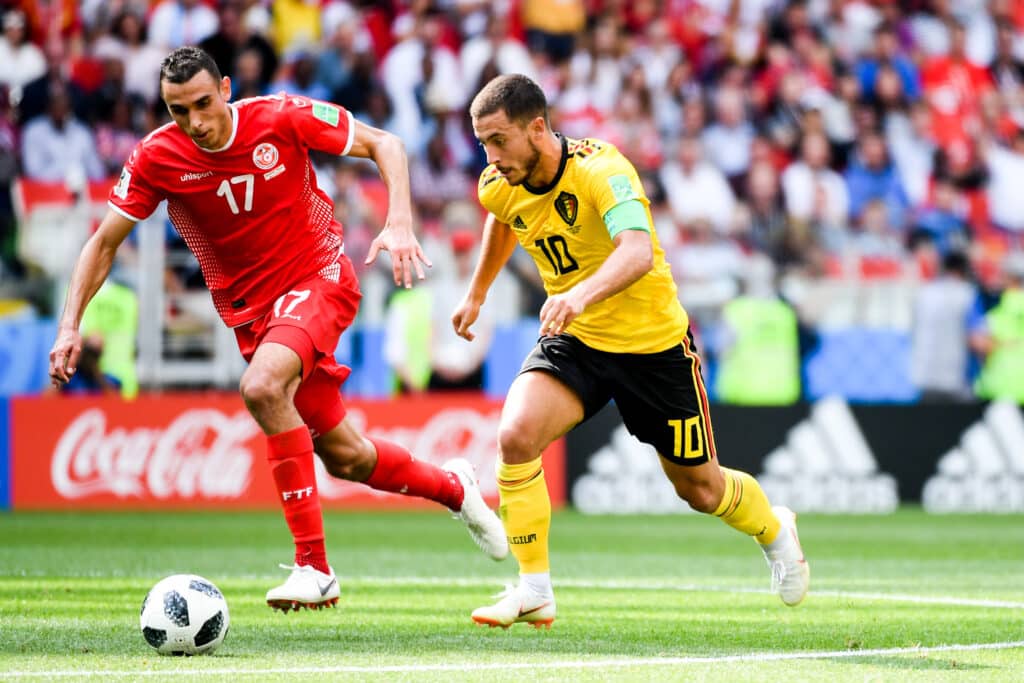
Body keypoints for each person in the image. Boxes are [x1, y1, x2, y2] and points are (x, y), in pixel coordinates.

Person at [48, 46, 507, 612]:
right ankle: (457, 489)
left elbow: (384, 143)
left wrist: (400, 220)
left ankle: (314, 568)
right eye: (177, 110)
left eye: (202, 104)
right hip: (255, 315)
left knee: (263, 388)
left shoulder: (280, 116)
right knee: (347, 457)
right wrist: (71, 324)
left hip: (319, 278)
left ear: (224, 88)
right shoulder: (156, 157)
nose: (194, 122)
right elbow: (104, 242)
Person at [452, 74, 810, 629]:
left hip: (654, 348)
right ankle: (534, 589)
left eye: (499, 140)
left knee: (700, 488)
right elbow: (504, 215)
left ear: (538, 128)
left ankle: (774, 529)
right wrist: (477, 293)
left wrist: (577, 294)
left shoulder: (604, 170)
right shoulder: (499, 180)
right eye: (483, 143)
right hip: (579, 341)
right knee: (516, 437)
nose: (491, 156)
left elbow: (638, 252)